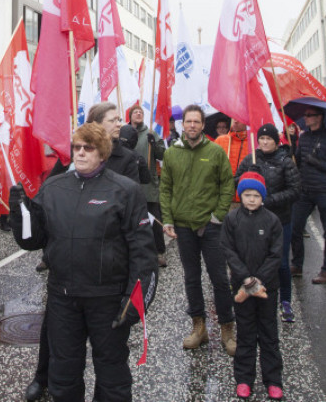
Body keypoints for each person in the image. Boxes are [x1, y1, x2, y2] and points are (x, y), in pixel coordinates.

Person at [9, 122, 158, 402]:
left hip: (108, 300)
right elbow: (33, 240)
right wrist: (19, 212)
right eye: (76, 147)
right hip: (63, 299)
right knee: (62, 376)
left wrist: (135, 302)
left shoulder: (125, 190)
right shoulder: (54, 187)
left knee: (112, 376)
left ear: (102, 153)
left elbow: (143, 252)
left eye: (88, 148)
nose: (80, 153)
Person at [160, 104, 237, 355]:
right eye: (188, 122)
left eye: (197, 122)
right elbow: (166, 188)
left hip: (211, 226)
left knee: (219, 280)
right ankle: (199, 327)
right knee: (191, 279)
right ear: (183, 125)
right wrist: (168, 219)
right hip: (183, 227)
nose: (192, 125)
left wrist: (218, 216)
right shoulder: (172, 153)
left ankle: (227, 328)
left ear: (203, 125)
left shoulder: (215, 152)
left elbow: (227, 185)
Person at [221, 172, 284, 400]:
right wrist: (246, 279)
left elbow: (276, 254)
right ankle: (244, 379)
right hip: (242, 285)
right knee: (246, 333)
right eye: (247, 194)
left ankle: (273, 380)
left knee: (269, 333)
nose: (251, 199)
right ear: (240, 195)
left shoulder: (272, 221)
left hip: (267, 286)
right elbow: (228, 250)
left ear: (263, 197)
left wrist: (259, 280)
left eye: (256, 195)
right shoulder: (232, 219)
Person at [235, 123, 300, 323]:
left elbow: (295, 190)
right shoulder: (251, 158)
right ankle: (254, 293)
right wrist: (248, 176)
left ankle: (285, 300)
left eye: (268, 139)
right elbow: (236, 181)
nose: (264, 142)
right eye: (261, 139)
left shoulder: (285, 161)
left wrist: (269, 200)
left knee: (280, 262)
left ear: (276, 141)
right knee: (253, 260)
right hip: (253, 221)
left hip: (280, 220)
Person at [290, 105, 326, 285]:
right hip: (304, 190)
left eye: (309, 115)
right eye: (305, 115)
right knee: (294, 228)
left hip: (325, 191)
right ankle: (297, 264)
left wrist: (318, 163)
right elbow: (298, 160)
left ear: (319, 117)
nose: (305, 118)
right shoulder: (304, 137)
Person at [128, 104, 167, 267]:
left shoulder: (151, 133)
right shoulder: (125, 133)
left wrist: (155, 144)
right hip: (130, 183)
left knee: (155, 220)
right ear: (129, 116)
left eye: (141, 112)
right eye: (135, 112)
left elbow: (162, 155)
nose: (138, 113)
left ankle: (159, 252)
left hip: (149, 185)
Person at [86, 102, 139, 182]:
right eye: (112, 121)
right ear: (96, 124)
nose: (119, 124)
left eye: (119, 120)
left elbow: (132, 192)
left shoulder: (127, 157)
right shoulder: (78, 151)